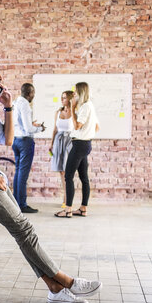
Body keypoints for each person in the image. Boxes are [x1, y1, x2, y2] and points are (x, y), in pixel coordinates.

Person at [0, 54, 102, 303]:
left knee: (22, 231)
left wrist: (7, 107)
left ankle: (54, 288)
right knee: (24, 228)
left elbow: (7, 140)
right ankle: (66, 281)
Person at [54, 82, 99, 218]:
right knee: (84, 178)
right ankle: (83, 209)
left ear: (80, 92)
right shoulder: (90, 106)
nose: (74, 96)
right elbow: (97, 127)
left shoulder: (85, 107)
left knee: (68, 176)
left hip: (79, 145)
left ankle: (68, 210)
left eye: (75, 93)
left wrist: (73, 109)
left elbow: (77, 125)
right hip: (85, 144)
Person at [12, 83, 45, 213]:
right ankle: (22, 205)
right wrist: (40, 128)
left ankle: (15, 202)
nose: (33, 96)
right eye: (33, 94)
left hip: (16, 140)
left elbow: (20, 123)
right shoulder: (25, 104)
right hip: (25, 142)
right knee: (23, 174)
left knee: (18, 172)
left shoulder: (15, 102)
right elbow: (28, 129)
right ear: (29, 93)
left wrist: (31, 124)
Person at [49, 90, 74, 207]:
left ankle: (67, 199)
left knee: (68, 171)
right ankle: (65, 198)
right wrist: (51, 143)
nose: (62, 100)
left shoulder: (75, 112)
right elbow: (55, 129)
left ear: (69, 99)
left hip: (69, 142)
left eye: (64, 98)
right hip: (58, 141)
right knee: (61, 171)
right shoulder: (57, 112)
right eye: (62, 97)